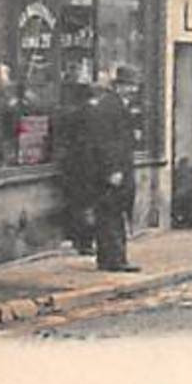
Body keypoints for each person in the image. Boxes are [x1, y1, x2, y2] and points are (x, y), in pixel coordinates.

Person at [72, 66, 142, 272]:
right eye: (128, 86)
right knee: (110, 214)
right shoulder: (109, 107)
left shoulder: (118, 105)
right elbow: (104, 142)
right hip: (112, 172)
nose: (132, 90)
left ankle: (112, 257)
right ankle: (114, 259)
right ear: (118, 86)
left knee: (114, 214)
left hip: (119, 169)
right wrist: (112, 169)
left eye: (134, 86)